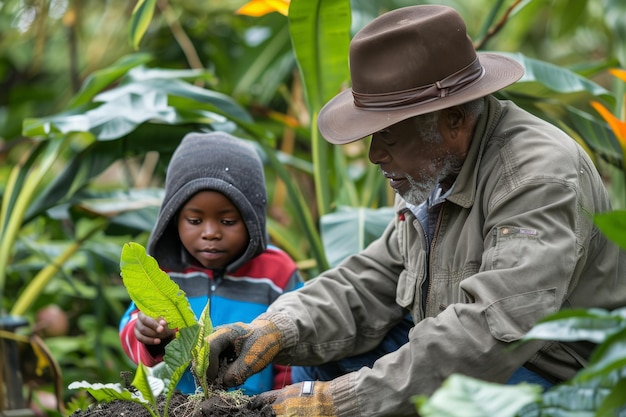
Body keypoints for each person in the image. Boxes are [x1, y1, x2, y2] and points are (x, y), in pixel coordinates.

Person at [205, 4, 626, 416]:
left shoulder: (535, 177)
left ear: (454, 120)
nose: (373, 155)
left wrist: (341, 401)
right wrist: (277, 328)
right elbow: (380, 275)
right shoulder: (434, 166)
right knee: (316, 369)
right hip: (462, 346)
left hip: (549, 374)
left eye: (388, 135)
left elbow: (492, 331)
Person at [119, 131, 303, 395]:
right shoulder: (162, 272)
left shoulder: (277, 272)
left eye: (227, 221)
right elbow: (129, 329)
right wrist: (148, 336)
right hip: (177, 407)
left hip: (252, 409)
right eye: (194, 221)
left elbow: (292, 347)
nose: (210, 233)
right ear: (173, 218)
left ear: (252, 220)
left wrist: (279, 401)